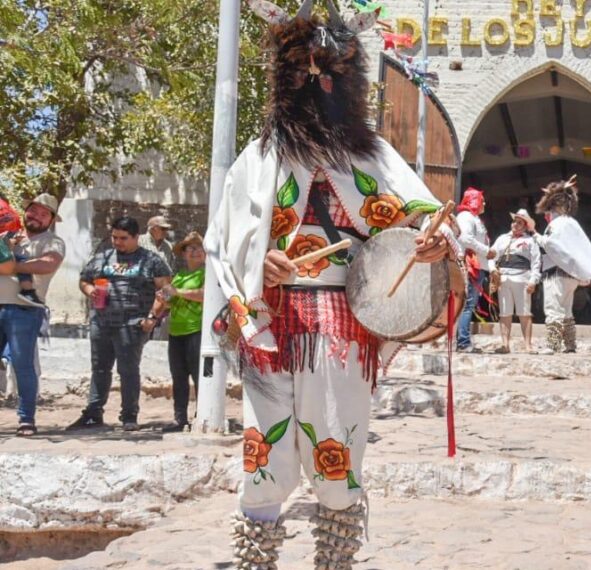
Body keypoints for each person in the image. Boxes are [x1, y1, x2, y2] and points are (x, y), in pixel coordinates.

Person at [205, 2, 458, 567]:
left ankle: (334, 559)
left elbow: (424, 225)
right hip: (273, 321)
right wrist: (261, 262)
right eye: (306, 73)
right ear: (286, 80)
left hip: (341, 323)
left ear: (350, 82)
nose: (320, 83)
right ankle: (257, 557)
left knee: (337, 442)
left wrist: (436, 245)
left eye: (333, 74)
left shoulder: (375, 158)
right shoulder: (260, 158)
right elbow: (223, 239)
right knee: (263, 446)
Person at [70, 216, 172, 432]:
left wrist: (152, 318)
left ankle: (129, 416)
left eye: (123, 238)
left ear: (136, 237)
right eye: (115, 237)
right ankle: (93, 413)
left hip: (132, 324)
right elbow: (84, 279)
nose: (117, 242)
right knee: (99, 369)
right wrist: (90, 291)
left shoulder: (151, 260)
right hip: (101, 322)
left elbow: (165, 291)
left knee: (128, 370)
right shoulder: (102, 257)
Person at [0, 194, 66, 436]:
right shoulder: (7, 235)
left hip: (25, 310)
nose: (37, 216)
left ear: (50, 220)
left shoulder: (53, 242)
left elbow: (48, 264)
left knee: (22, 365)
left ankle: (26, 419)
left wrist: (11, 267)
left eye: (44, 213)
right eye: (34, 210)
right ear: (25, 211)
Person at [534, 177, 591, 353]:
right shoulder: (572, 223)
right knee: (566, 310)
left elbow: (552, 245)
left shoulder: (555, 224)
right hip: (570, 275)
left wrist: (536, 236)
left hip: (556, 273)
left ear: (551, 208)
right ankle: (570, 344)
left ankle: (553, 344)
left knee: (553, 308)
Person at [157, 232, 207, 432]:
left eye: (198, 248)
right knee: (178, 376)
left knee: (199, 375)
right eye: (189, 248)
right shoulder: (180, 276)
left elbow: (205, 295)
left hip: (197, 328)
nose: (194, 251)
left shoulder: (209, 273)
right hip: (176, 330)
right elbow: (172, 301)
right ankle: (180, 418)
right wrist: (164, 299)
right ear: (184, 254)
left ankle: (201, 416)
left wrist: (177, 292)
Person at [488, 209, 541, 353]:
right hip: (504, 278)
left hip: (523, 278)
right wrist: (493, 270)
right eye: (514, 222)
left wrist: (533, 281)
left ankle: (528, 346)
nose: (515, 225)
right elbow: (491, 255)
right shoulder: (502, 238)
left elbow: (536, 262)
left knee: (524, 313)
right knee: (505, 313)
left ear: (525, 226)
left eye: (519, 223)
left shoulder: (530, 241)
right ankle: (505, 345)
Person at [455, 187, 494, 352]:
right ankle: (463, 342)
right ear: (473, 201)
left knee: (469, 304)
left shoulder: (474, 218)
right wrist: (486, 251)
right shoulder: (466, 217)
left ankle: (463, 340)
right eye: (481, 199)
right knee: (467, 304)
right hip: (471, 266)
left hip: (478, 267)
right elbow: (465, 238)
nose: (484, 203)